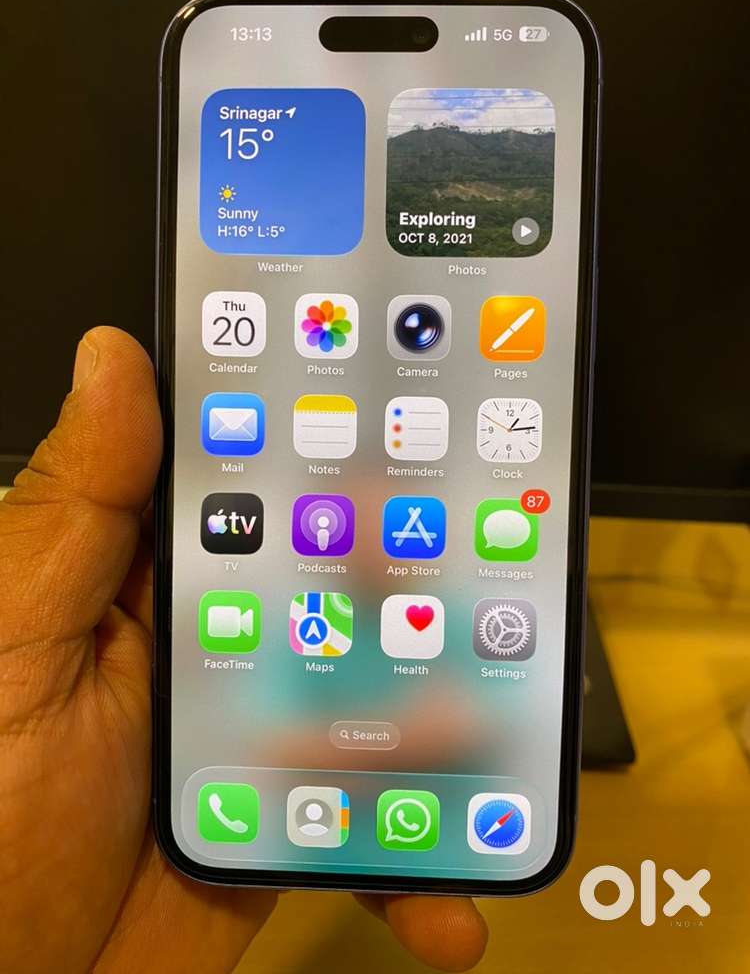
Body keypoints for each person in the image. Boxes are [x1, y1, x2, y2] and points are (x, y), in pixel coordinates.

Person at [0, 327, 488, 973]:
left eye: (400, 524)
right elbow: (273, 741)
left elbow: (481, 722)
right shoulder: (306, 616)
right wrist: (404, 738)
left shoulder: (453, 618)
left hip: (418, 830)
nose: (382, 540)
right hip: (287, 826)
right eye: (356, 520)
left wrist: (350, 744)